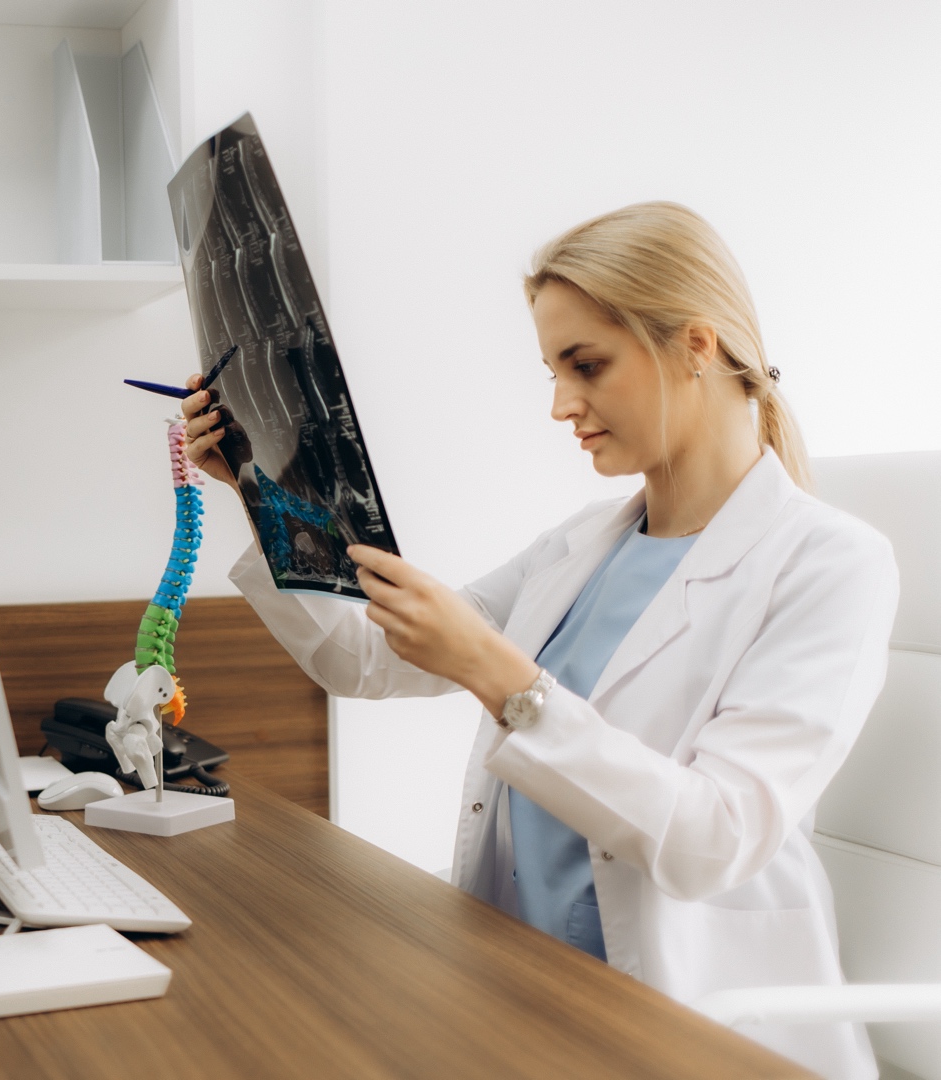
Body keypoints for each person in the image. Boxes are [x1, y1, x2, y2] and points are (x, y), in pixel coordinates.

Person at [180, 202, 896, 1080]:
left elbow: (715, 837)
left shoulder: (831, 564)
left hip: (692, 1028)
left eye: (586, 365)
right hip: (524, 991)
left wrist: (499, 674)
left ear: (695, 347)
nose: (562, 404)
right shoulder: (581, 545)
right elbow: (361, 660)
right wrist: (255, 489)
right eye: (554, 370)